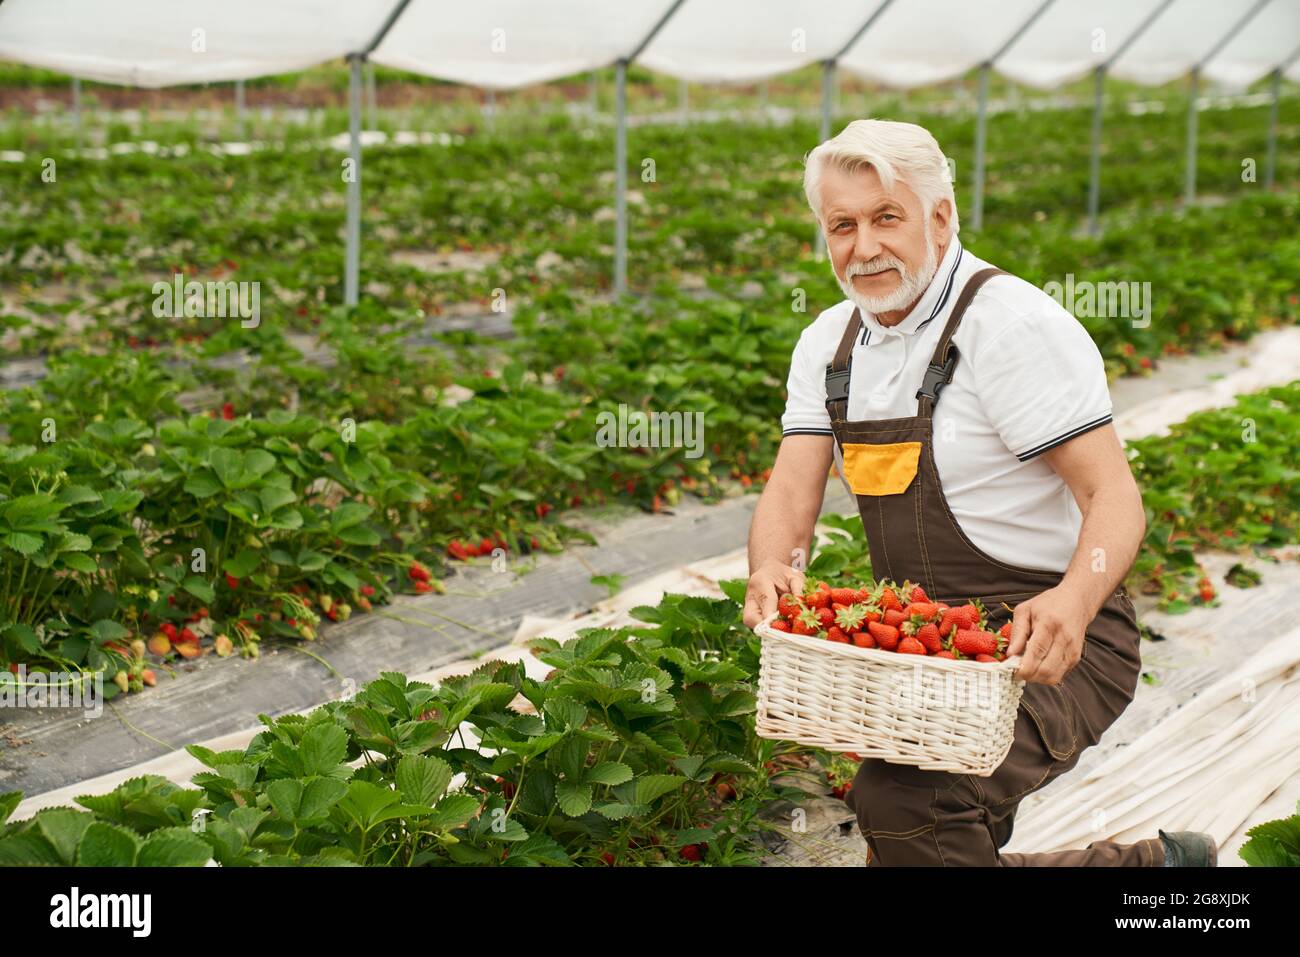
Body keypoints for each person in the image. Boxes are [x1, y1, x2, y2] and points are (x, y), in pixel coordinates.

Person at [742, 119, 1215, 867]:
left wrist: (1073, 601)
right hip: (926, 646)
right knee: (916, 838)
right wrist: (774, 566)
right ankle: (1149, 870)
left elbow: (1114, 495)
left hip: (1051, 640)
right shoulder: (830, 346)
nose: (863, 246)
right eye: (842, 224)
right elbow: (790, 491)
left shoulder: (1011, 327)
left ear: (940, 217)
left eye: (885, 217)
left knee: (908, 801)